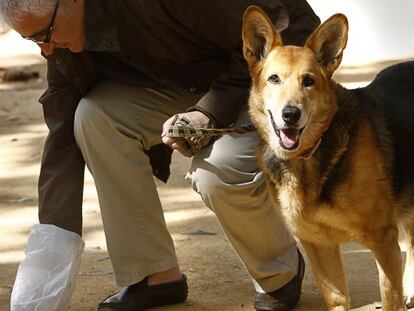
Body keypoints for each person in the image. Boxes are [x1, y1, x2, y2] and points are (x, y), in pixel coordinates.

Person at [1, 1, 320, 310]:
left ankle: (279, 272)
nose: (45, 49)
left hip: (270, 76)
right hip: (191, 78)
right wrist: (52, 245)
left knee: (217, 170)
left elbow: (272, 40)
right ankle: (154, 274)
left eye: (44, 33)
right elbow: (63, 124)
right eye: (33, 40)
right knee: (93, 117)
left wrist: (208, 113)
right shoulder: (62, 32)